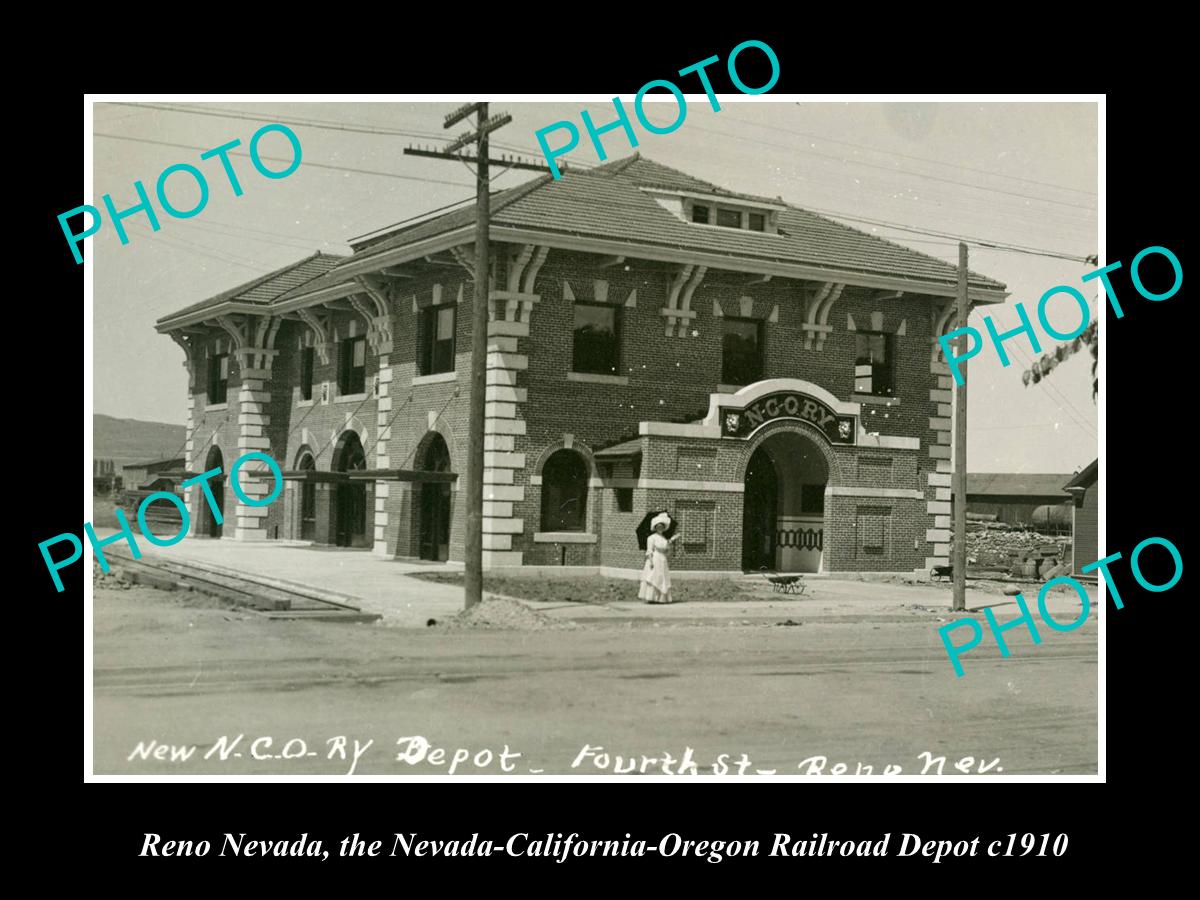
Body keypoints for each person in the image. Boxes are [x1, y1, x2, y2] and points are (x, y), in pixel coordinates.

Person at [639, 513, 681, 604]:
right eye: (658, 527)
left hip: (662, 559)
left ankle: (660, 598)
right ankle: (651, 597)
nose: (660, 529)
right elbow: (649, 550)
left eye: (662, 527)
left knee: (662, 577)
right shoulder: (651, 538)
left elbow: (666, 548)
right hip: (655, 558)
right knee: (654, 577)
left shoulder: (663, 538)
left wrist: (671, 541)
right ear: (655, 528)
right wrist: (650, 561)